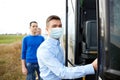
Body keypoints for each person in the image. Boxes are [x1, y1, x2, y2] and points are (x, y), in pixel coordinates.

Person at [37, 15, 97, 80]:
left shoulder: (57, 45)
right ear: (47, 29)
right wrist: (92, 67)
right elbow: (63, 73)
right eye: (54, 26)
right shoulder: (45, 49)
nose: (58, 28)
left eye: (60, 26)